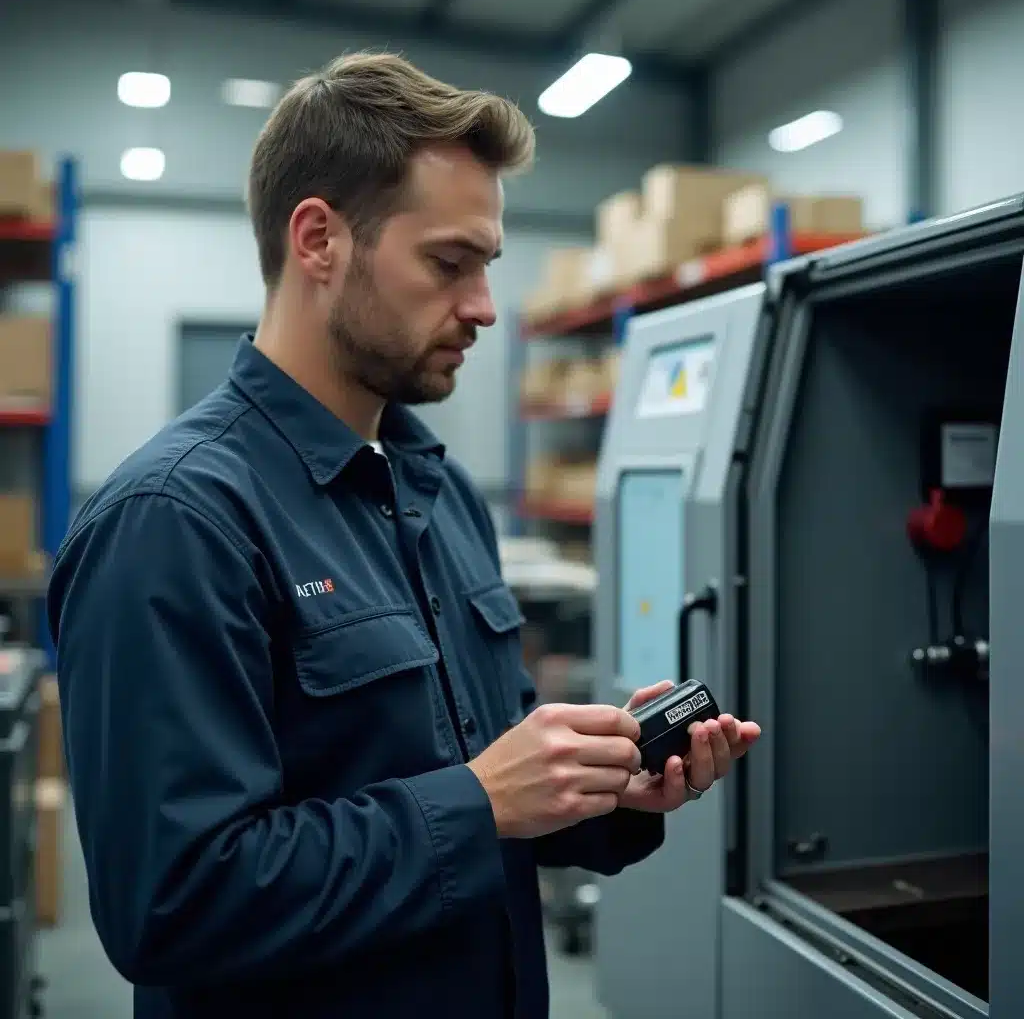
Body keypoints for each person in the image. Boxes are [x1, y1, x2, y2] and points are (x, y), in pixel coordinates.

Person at [47, 52, 761, 1019]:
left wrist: (600, 797)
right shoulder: (175, 523)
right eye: (448, 263)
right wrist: (480, 804)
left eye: (487, 266)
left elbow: (492, 783)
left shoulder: (437, 490)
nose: (485, 308)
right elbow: (168, 904)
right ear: (318, 241)